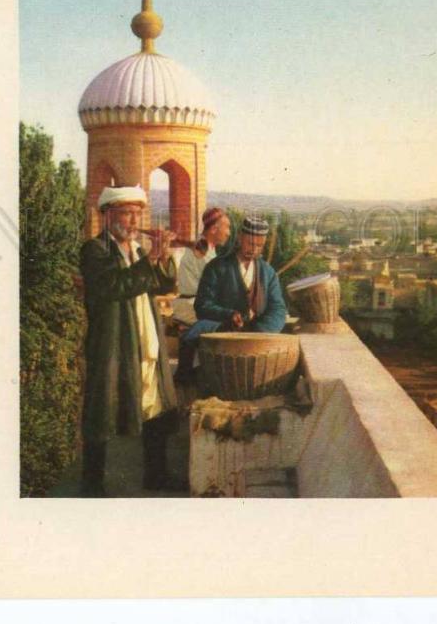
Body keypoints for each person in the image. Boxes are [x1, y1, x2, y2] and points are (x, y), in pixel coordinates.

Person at [79, 185, 181, 497]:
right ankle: (92, 486)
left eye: (138, 213)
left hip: (144, 340)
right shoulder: (95, 251)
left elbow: (164, 284)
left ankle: (157, 475)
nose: (134, 220)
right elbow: (115, 285)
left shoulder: (136, 250)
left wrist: (162, 256)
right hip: (114, 345)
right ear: (107, 215)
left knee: (157, 408)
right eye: (126, 212)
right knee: (102, 413)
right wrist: (150, 259)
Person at [175, 216, 287, 382]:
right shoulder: (216, 267)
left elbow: (278, 309)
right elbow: (202, 305)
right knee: (192, 336)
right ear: (240, 238)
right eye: (250, 243)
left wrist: (259, 332)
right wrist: (229, 315)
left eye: (259, 245)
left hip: (256, 331)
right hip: (222, 327)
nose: (254, 250)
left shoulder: (268, 273)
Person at [171, 207, 231, 327]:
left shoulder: (208, 249)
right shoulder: (202, 252)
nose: (228, 233)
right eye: (227, 227)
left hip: (194, 305)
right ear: (214, 229)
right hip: (191, 308)